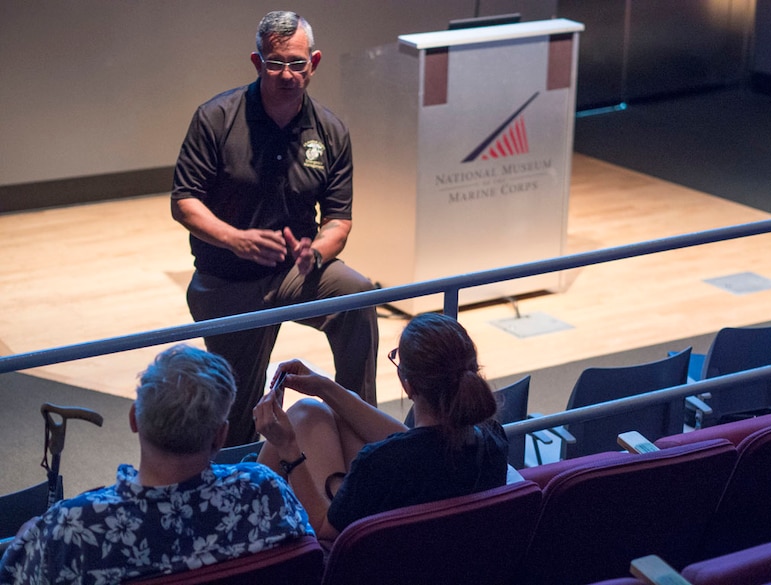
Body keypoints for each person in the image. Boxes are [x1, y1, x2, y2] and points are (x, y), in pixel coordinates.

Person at [171, 10, 378, 447]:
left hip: (295, 273)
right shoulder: (216, 118)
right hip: (227, 281)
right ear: (257, 62)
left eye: (297, 63)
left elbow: (339, 220)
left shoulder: (331, 130)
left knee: (357, 296)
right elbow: (184, 202)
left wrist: (317, 253)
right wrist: (236, 240)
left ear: (314, 62)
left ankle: (361, 429)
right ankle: (243, 479)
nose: (287, 74)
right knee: (240, 418)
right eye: (275, 63)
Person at [0, 345, 313, 584]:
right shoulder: (266, 493)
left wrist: (34, 533)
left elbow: (12, 572)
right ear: (220, 435)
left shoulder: (72, 527)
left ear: (134, 419)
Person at [253, 313, 510, 543]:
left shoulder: (380, 463)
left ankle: (244, 498)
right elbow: (419, 445)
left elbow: (323, 529)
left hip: (354, 561)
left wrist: (288, 450)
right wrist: (326, 388)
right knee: (322, 413)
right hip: (448, 560)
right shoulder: (493, 442)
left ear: (407, 385)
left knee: (306, 413)